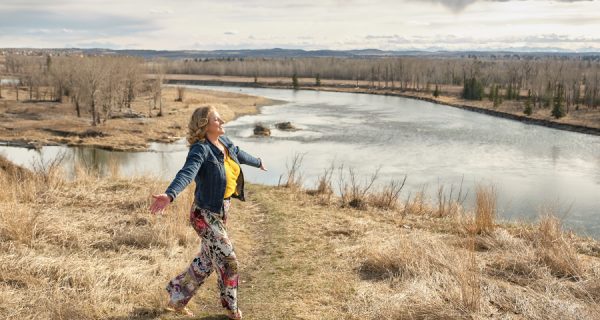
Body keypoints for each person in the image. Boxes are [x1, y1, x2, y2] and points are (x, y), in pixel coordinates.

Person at [149, 105, 266, 319]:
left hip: (222, 211)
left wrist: (258, 162)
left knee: (206, 261)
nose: (222, 122)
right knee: (228, 260)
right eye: (217, 119)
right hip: (204, 215)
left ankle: (177, 296)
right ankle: (231, 308)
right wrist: (170, 194)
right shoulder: (200, 149)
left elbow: (239, 153)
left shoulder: (225, 142)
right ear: (205, 124)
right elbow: (186, 173)